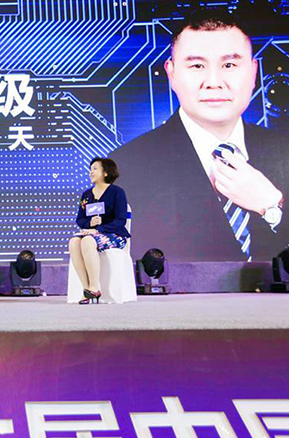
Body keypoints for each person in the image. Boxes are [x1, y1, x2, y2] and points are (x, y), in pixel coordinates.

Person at [111, 9, 289, 262]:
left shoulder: (284, 151)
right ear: (172, 74)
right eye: (197, 66)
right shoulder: (125, 167)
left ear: (253, 73)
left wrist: (272, 206)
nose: (214, 82)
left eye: (229, 65)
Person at [69, 157, 130, 304]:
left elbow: (120, 220)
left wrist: (99, 230)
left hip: (114, 235)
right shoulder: (86, 195)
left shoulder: (117, 192)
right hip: (91, 234)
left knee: (87, 241)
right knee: (74, 242)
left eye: (95, 169)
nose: (91, 172)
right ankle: (87, 289)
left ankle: (94, 286)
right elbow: (80, 220)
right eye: (90, 169)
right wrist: (89, 223)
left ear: (106, 173)